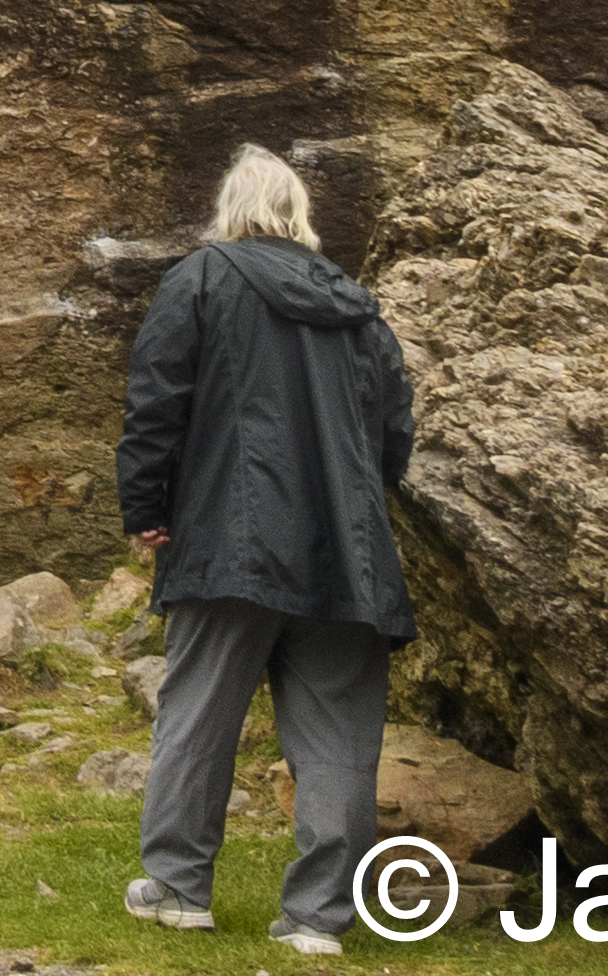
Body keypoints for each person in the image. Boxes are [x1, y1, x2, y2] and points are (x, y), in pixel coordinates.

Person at [115, 145, 416, 955]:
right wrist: (354, 511)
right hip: (349, 560)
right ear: (300, 212)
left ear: (230, 209)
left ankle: (179, 889)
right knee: (338, 743)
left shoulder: (203, 279)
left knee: (198, 718)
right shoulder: (358, 306)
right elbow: (395, 434)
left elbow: (156, 401)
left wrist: (146, 507)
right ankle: (319, 918)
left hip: (229, 545)